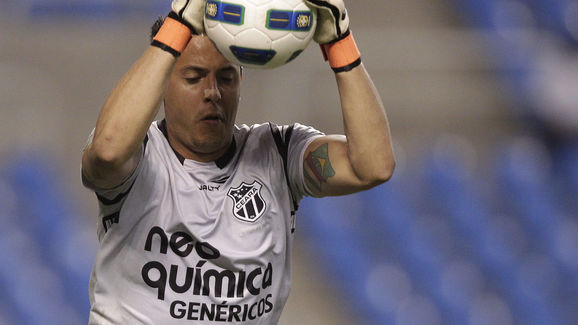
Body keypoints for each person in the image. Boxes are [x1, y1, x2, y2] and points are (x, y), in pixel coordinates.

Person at [81, 0, 395, 323]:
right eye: (194, 78)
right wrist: (177, 25)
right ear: (161, 86)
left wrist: (339, 43)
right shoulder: (141, 156)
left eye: (226, 78)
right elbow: (107, 151)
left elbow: (373, 166)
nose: (212, 92)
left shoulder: (279, 154)